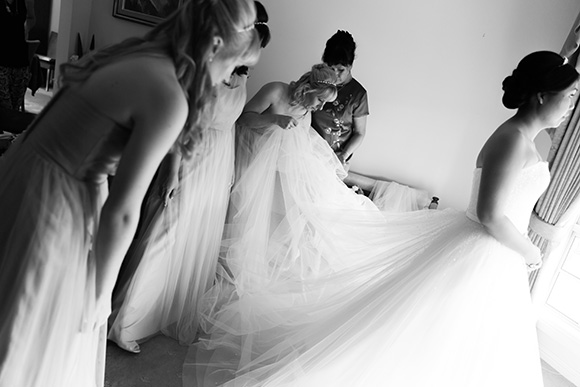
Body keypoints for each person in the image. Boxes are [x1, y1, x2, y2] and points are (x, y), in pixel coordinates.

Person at [184, 51, 578, 387]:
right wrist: (529, 250)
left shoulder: (527, 140)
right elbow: (491, 213)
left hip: (498, 254)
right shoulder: (511, 139)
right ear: (542, 96)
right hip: (492, 248)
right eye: (571, 95)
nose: (573, 104)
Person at [0, 0, 261, 385]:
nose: (232, 78)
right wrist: (102, 297)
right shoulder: (169, 93)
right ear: (217, 44)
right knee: (30, 327)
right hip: (55, 203)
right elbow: (123, 209)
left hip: (21, 170)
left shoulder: (136, 51)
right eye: (237, 65)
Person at [108, 1, 271, 353]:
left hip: (219, 160)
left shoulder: (241, 73)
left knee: (195, 235)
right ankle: (126, 320)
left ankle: (162, 312)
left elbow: (230, 123)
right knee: (168, 231)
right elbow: (183, 125)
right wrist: (171, 172)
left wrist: (228, 173)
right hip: (192, 155)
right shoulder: (204, 68)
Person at [311, 30, 369, 186]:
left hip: (336, 158)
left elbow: (359, 132)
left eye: (340, 69)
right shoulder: (318, 82)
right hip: (309, 151)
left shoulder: (358, 94)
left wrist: (343, 156)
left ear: (350, 65)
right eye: (330, 68)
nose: (335, 74)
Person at [0, 0, 35, 110]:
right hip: (1, 62)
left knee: (14, 110)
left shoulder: (25, 1)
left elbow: (31, 17)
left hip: (20, 60)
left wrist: (26, 28)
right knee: (4, 107)